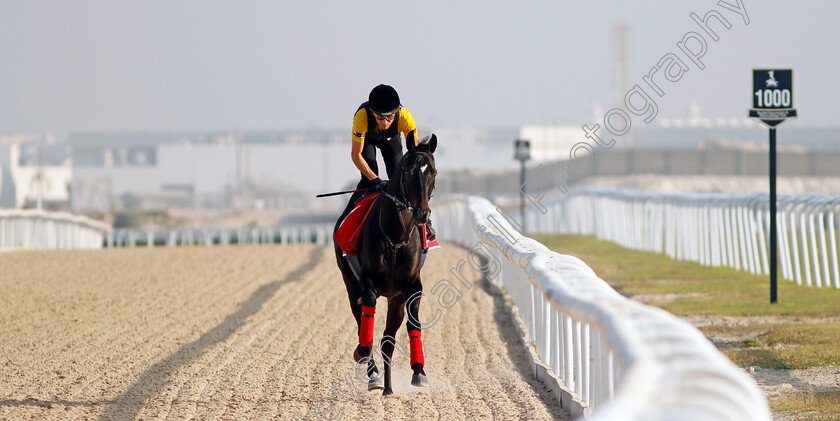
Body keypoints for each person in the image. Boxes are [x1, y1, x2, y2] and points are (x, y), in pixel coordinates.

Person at [335, 84, 434, 241]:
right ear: (373, 114)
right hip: (367, 139)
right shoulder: (362, 118)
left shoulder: (405, 118)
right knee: (368, 181)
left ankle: (425, 225)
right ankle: (345, 222)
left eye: (389, 118)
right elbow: (356, 155)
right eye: (380, 118)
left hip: (391, 140)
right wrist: (375, 180)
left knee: (399, 178)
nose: (385, 123)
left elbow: (414, 156)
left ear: (396, 114)